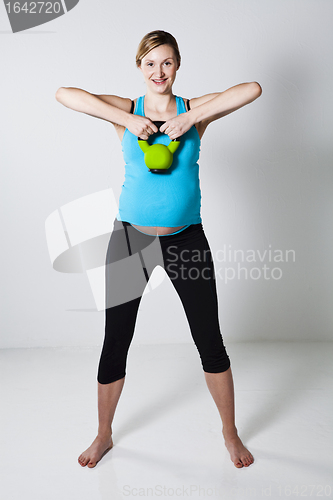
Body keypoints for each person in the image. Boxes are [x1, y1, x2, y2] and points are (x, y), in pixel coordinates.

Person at [55, 30, 262, 469]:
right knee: (116, 341)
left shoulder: (194, 112)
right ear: (139, 67)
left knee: (210, 340)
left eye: (166, 62)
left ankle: (230, 433)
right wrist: (126, 120)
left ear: (178, 66)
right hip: (131, 239)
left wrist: (192, 119)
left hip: (186, 238)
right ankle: (103, 434)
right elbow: (64, 94)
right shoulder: (125, 110)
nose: (158, 72)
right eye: (149, 63)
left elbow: (251, 89)